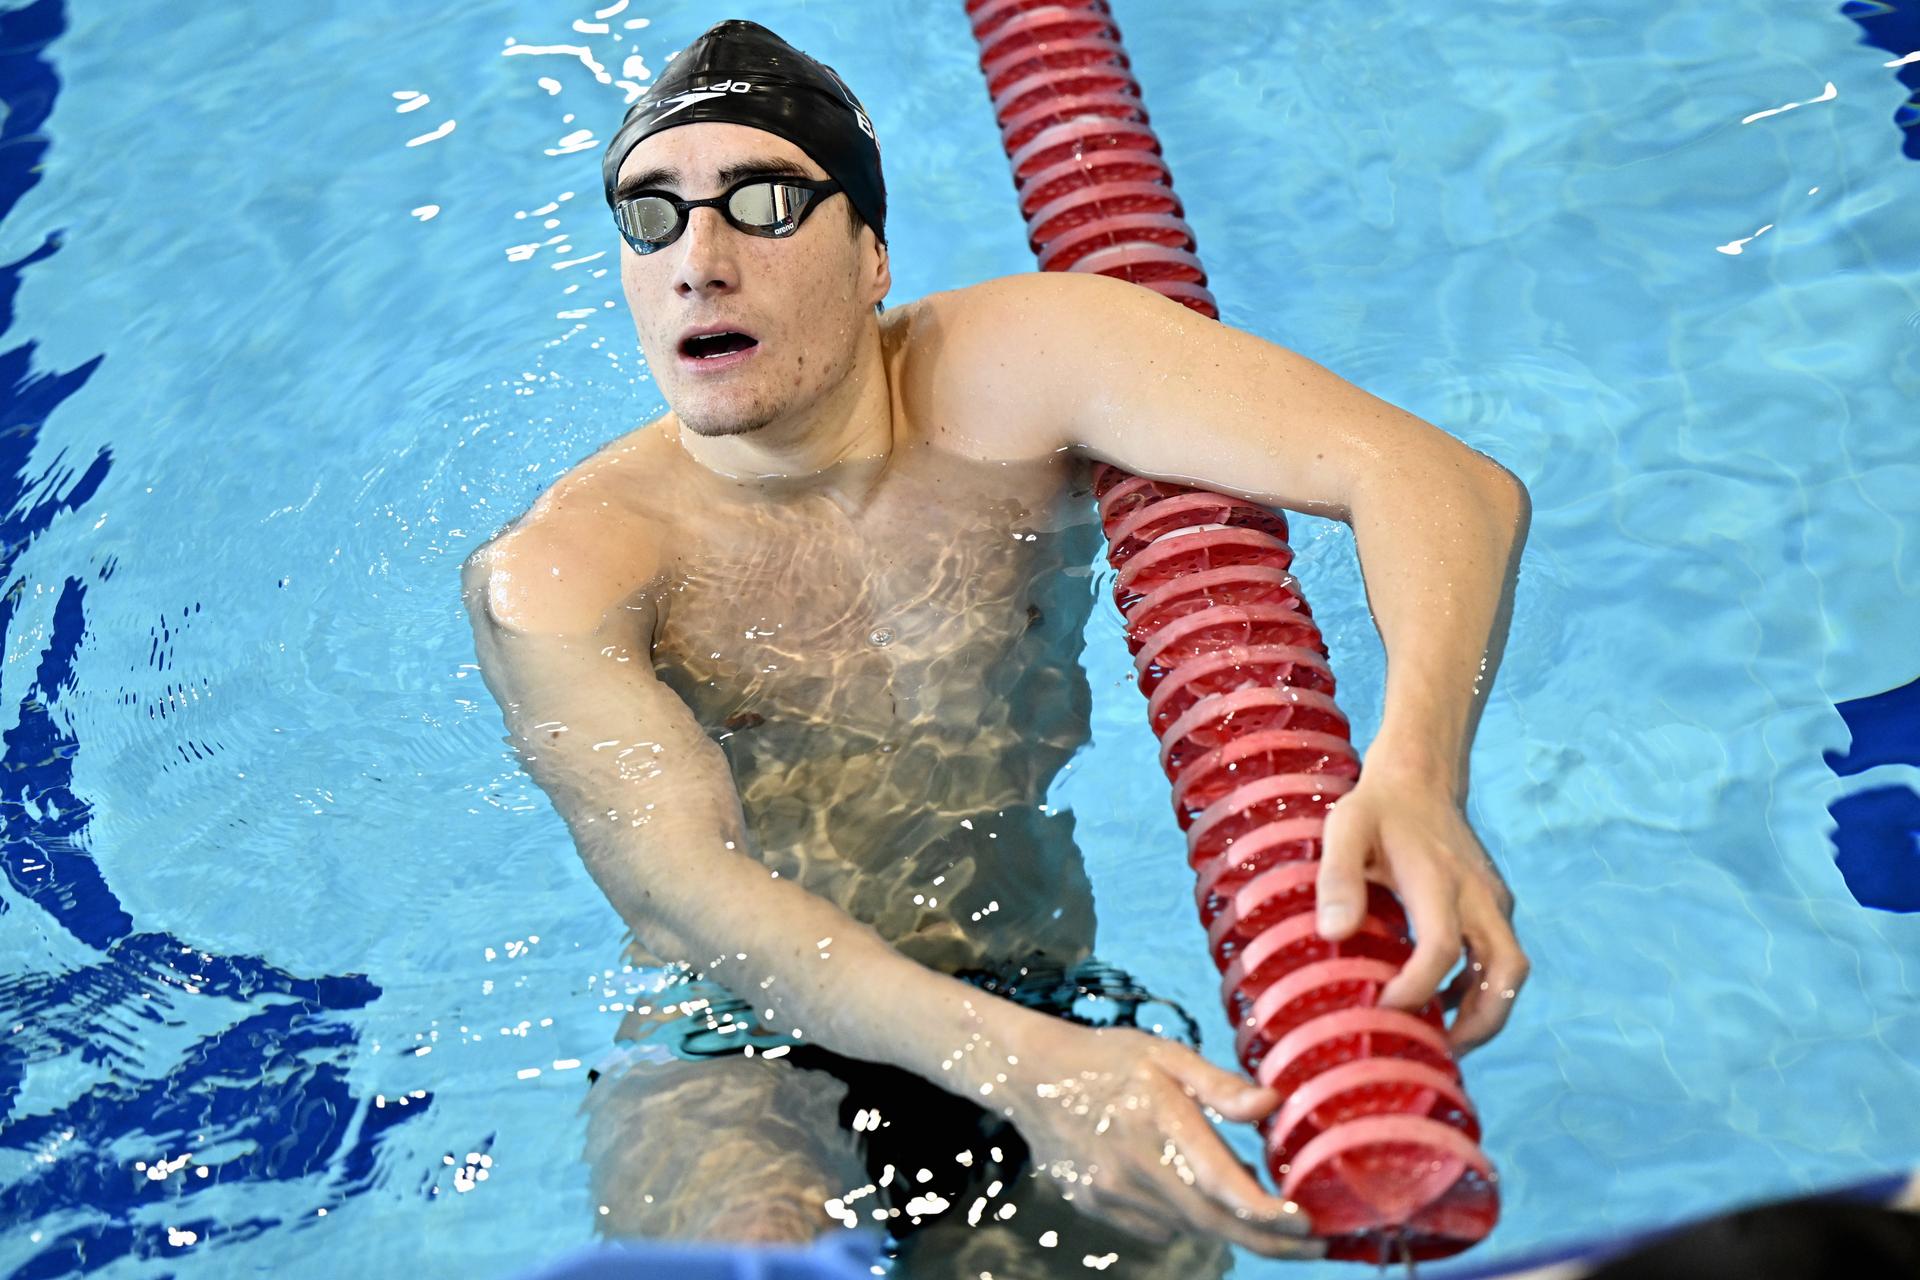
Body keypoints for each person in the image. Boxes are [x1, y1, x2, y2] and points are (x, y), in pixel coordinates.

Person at [462, 17, 1531, 1278]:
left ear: (871, 255)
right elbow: (686, 890)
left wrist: (1415, 770)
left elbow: (1434, 480)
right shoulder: (568, 568)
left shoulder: (1018, 369)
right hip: (740, 1047)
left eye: (762, 204)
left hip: (1038, 984)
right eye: (652, 215)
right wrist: (1030, 1074)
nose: (699, 261)